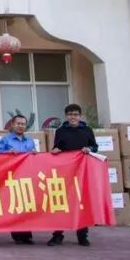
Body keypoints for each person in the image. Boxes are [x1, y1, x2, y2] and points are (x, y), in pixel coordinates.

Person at [48, 104, 97, 247]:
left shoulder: (87, 130)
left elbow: (95, 147)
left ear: (80, 116)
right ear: (66, 116)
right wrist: (55, 150)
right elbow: (56, 148)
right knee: (62, 203)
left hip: (82, 172)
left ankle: (82, 236)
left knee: (82, 204)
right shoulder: (60, 131)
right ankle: (57, 235)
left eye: (75, 114)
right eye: (70, 114)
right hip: (65, 173)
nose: (73, 117)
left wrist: (89, 149)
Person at [0, 114, 37, 245]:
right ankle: (17, 235)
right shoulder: (5, 140)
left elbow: (35, 156)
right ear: (13, 125)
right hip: (12, 177)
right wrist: (7, 153)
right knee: (15, 205)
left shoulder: (30, 141)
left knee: (27, 206)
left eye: (23, 124)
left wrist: (35, 154)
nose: (21, 126)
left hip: (27, 177)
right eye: (18, 124)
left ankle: (27, 234)